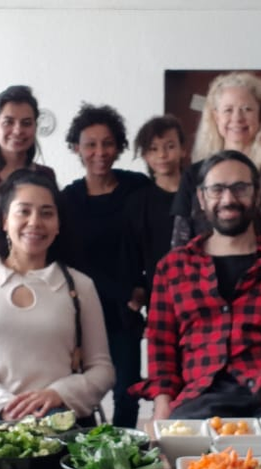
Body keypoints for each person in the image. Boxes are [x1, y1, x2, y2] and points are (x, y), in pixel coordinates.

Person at [130, 150, 261, 422]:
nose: (228, 199)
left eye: (240, 188)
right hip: (201, 400)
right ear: (201, 198)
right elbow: (161, 348)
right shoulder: (173, 268)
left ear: (257, 194)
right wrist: (162, 407)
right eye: (217, 189)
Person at [0, 170, 114, 425]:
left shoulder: (81, 286)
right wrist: (7, 404)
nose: (35, 222)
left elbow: (102, 369)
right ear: (4, 220)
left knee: (54, 433)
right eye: (24, 211)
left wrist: (57, 394)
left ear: (58, 225)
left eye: (46, 213)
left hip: (54, 413)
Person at [61, 103, 151, 428]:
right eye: (90, 144)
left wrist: (143, 291)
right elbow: (71, 261)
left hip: (125, 312)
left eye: (108, 143)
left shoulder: (138, 188)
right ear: (76, 148)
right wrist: (124, 292)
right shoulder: (68, 199)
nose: (99, 152)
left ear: (119, 146)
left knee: (127, 393)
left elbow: (156, 244)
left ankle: (124, 451)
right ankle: (84, 452)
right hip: (81, 310)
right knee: (80, 393)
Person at [170, 72, 261, 248]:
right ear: (216, 117)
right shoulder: (194, 175)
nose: (237, 118)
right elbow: (179, 245)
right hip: (203, 266)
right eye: (228, 110)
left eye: (247, 109)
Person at [125, 115, 188, 312]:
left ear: (183, 150)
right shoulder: (138, 202)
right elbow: (131, 255)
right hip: (159, 297)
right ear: (145, 155)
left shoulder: (199, 195)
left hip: (200, 292)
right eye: (153, 149)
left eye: (170, 146)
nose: (162, 154)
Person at [0, 85, 57, 214]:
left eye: (26, 123)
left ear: (35, 127)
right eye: (8, 122)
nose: (18, 131)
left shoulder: (47, 175)